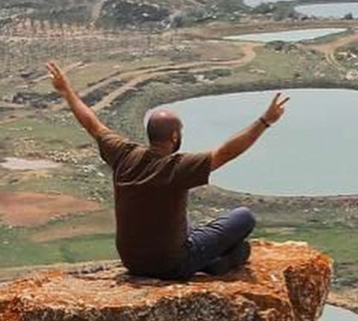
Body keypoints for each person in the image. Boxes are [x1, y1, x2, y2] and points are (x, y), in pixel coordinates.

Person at [46, 62, 290, 279]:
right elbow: (226, 153)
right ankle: (215, 264)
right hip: (171, 265)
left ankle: (213, 262)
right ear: (174, 137)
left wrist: (66, 91)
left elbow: (92, 125)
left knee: (186, 222)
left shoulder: (123, 155)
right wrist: (264, 121)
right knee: (244, 218)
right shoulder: (177, 167)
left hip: (132, 262)